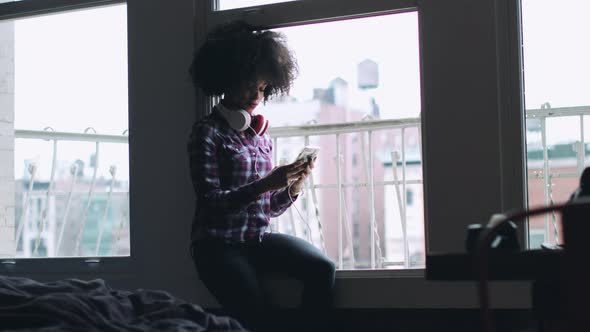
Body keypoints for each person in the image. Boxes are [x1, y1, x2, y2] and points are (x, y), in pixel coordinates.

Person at [187, 21, 336, 332]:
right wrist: (266, 183)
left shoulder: (261, 137)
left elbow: (266, 208)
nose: (256, 95)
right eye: (249, 84)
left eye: (264, 87)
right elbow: (211, 203)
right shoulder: (207, 133)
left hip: (256, 240)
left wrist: (292, 186)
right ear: (226, 78)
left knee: (323, 268)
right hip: (217, 247)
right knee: (257, 317)